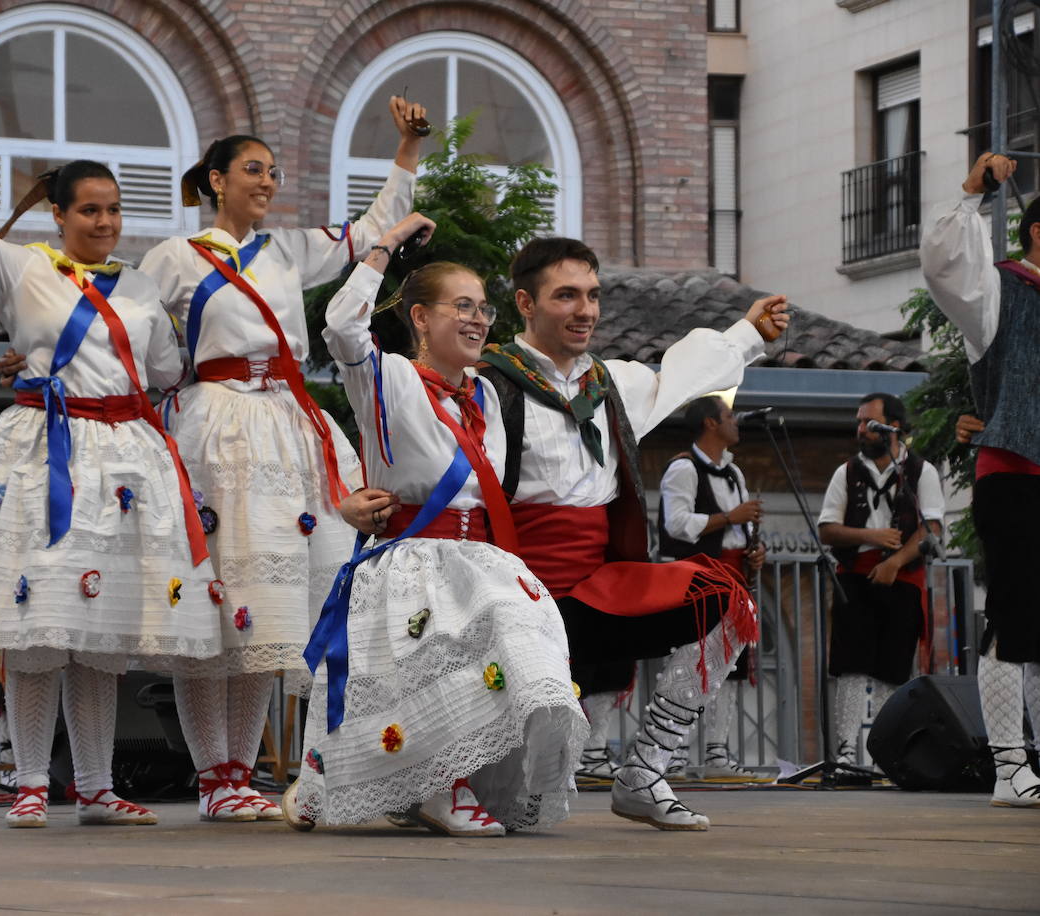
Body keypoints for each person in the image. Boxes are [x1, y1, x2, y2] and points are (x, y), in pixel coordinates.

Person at [0, 69, 220, 828]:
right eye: (89, 210)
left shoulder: (141, 287)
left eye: (113, 210)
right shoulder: (23, 269)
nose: (104, 221)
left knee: (100, 634)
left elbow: (169, 374)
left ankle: (97, 785)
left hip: (123, 462)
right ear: (58, 213)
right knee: (39, 628)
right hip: (45, 451)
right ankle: (30, 783)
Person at [135, 100, 425, 822]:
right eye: (254, 170)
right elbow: (128, 326)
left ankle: (243, 774)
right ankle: (214, 779)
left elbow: (368, 233)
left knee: (270, 610)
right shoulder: (174, 256)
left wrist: (407, 152)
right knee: (220, 605)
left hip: (287, 426)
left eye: (274, 172)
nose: (268, 182)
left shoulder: (288, 251)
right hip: (217, 427)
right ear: (215, 179)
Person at [284, 214, 587, 837]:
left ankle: (473, 785)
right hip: (414, 557)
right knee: (435, 670)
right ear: (420, 318)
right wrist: (385, 248)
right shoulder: (386, 377)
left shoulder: (484, 395)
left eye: (483, 308)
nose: (478, 319)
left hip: (478, 557)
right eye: (462, 306)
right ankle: (436, 790)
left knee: (528, 652)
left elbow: (490, 486)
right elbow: (341, 325)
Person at [474, 237, 787, 829]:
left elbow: (682, 373)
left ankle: (644, 771)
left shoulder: (610, 385)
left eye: (592, 295)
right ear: (525, 303)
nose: (585, 310)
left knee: (724, 601)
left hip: (594, 586)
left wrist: (748, 332)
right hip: (516, 594)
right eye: (566, 295)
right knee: (521, 813)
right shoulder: (489, 384)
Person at [921, 151, 1040, 807]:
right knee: (1014, 622)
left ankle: (1032, 764)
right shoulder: (1001, 290)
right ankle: (1008, 766)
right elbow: (943, 265)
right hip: (1016, 476)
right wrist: (973, 189)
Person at [816, 393, 944, 767]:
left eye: (868, 423)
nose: (860, 430)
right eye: (859, 422)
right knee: (851, 665)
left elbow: (932, 527)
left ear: (894, 427)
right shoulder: (847, 471)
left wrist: (896, 561)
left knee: (893, 667)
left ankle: (885, 753)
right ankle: (845, 752)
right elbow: (827, 529)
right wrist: (870, 538)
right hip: (854, 578)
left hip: (903, 578)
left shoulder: (922, 471)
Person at [658, 395, 767, 780]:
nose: (736, 422)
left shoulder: (733, 473)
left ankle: (718, 754)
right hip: (696, 577)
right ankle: (673, 753)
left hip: (732, 574)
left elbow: (735, 530)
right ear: (709, 423)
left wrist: (754, 547)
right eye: (729, 416)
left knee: (730, 666)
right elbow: (677, 525)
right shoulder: (683, 469)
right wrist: (730, 517)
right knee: (690, 661)